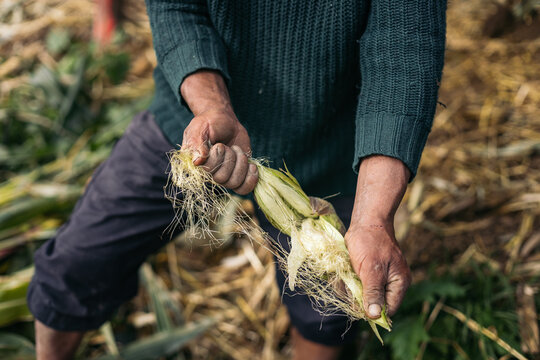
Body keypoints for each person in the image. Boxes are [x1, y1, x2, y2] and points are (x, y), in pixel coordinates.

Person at [27, 1, 447, 359]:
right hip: (195, 129)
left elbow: (404, 51)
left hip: (324, 147)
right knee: (75, 264)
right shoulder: (199, 124)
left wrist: (373, 219)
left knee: (330, 309)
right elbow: (176, 8)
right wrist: (211, 106)